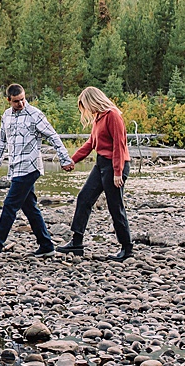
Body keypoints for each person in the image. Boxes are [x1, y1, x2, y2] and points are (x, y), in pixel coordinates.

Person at [0, 83, 73, 255]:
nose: (21, 104)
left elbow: (53, 136)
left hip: (30, 166)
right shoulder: (6, 116)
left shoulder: (35, 115)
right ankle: (46, 245)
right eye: (17, 101)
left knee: (10, 205)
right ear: (9, 100)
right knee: (30, 207)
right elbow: (1, 142)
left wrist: (65, 158)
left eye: (23, 99)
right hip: (15, 167)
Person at [56, 86, 133, 260]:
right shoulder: (98, 118)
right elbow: (91, 144)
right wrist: (72, 160)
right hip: (101, 165)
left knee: (115, 206)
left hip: (115, 165)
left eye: (86, 106)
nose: (87, 110)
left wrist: (117, 172)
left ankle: (127, 248)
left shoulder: (113, 115)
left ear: (93, 101)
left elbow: (119, 145)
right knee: (84, 198)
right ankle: (76, 242)